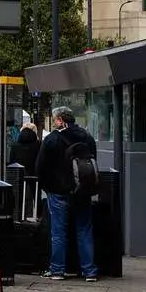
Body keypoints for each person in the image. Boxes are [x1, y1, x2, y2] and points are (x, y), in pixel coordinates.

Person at [34, 106, 100, 282]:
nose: (55, 123)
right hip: (82, 191)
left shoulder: (52, 139)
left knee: (58, 232)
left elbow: (40, 167)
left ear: (60, 120)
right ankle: (89, 271)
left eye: (55, 120)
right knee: (84, 230)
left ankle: (57, 270)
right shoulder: (87, 137)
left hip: (58, 192)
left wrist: (48, 187)